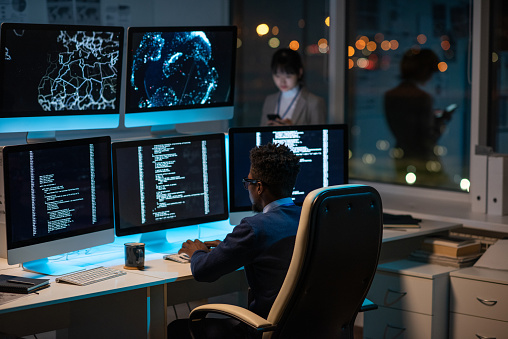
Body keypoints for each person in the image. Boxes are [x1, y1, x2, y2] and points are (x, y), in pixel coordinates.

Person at [167, 143, 302, 339]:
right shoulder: (311, 218)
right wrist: (230, 245)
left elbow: (204, 271)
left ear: (259, 187)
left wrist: (197, 251)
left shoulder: (254, 228)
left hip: (265, 329)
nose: (247, 186)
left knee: (178, 328)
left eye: (248, 181)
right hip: (306, 326)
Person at [384, 48, 454, 185]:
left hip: (401, 156)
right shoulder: (423, 98)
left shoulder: (390, 96)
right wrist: (441, 121)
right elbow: (427, 139)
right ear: (423, 71)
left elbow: (404, 128)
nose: (431, 77)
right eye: (430, 72)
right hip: (423, 161)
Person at [260, 48, 326, 126]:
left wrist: (292, 129)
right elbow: (261, 134)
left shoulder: (313, 103)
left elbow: (318, 136)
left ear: (299, 73)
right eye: (277, 76)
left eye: (288, 76)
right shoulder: (270, 100)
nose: (282, 82)